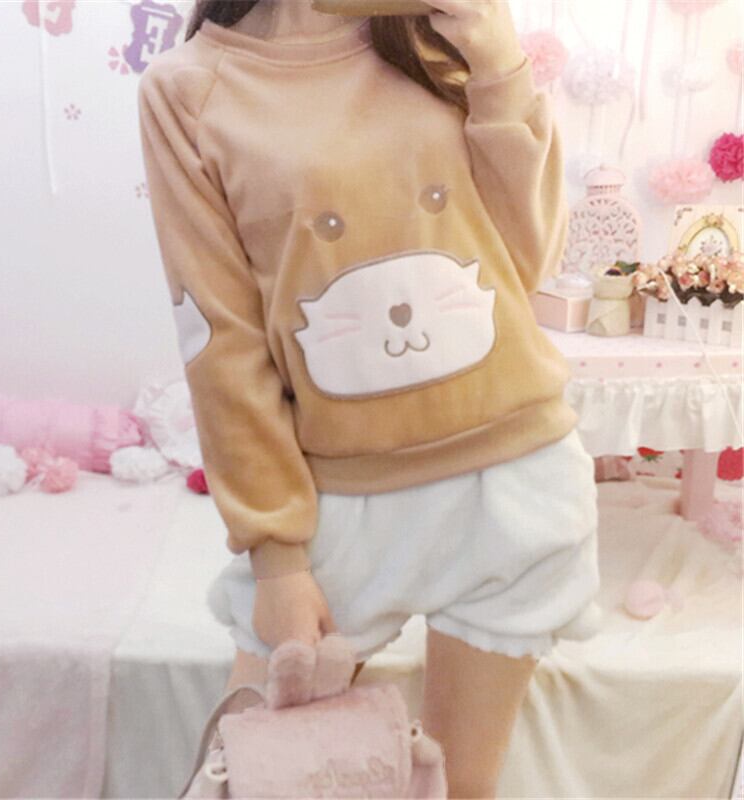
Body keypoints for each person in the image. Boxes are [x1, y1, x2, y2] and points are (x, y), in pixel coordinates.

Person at [137, 1, 602, 795]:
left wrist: (497, 65)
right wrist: (276, 557)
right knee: (277, 778)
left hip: (513, 482)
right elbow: (223, 347)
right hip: (335, 507)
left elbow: (523, 264)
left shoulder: (440, 39)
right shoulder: (189, 91)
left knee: (461, 788)